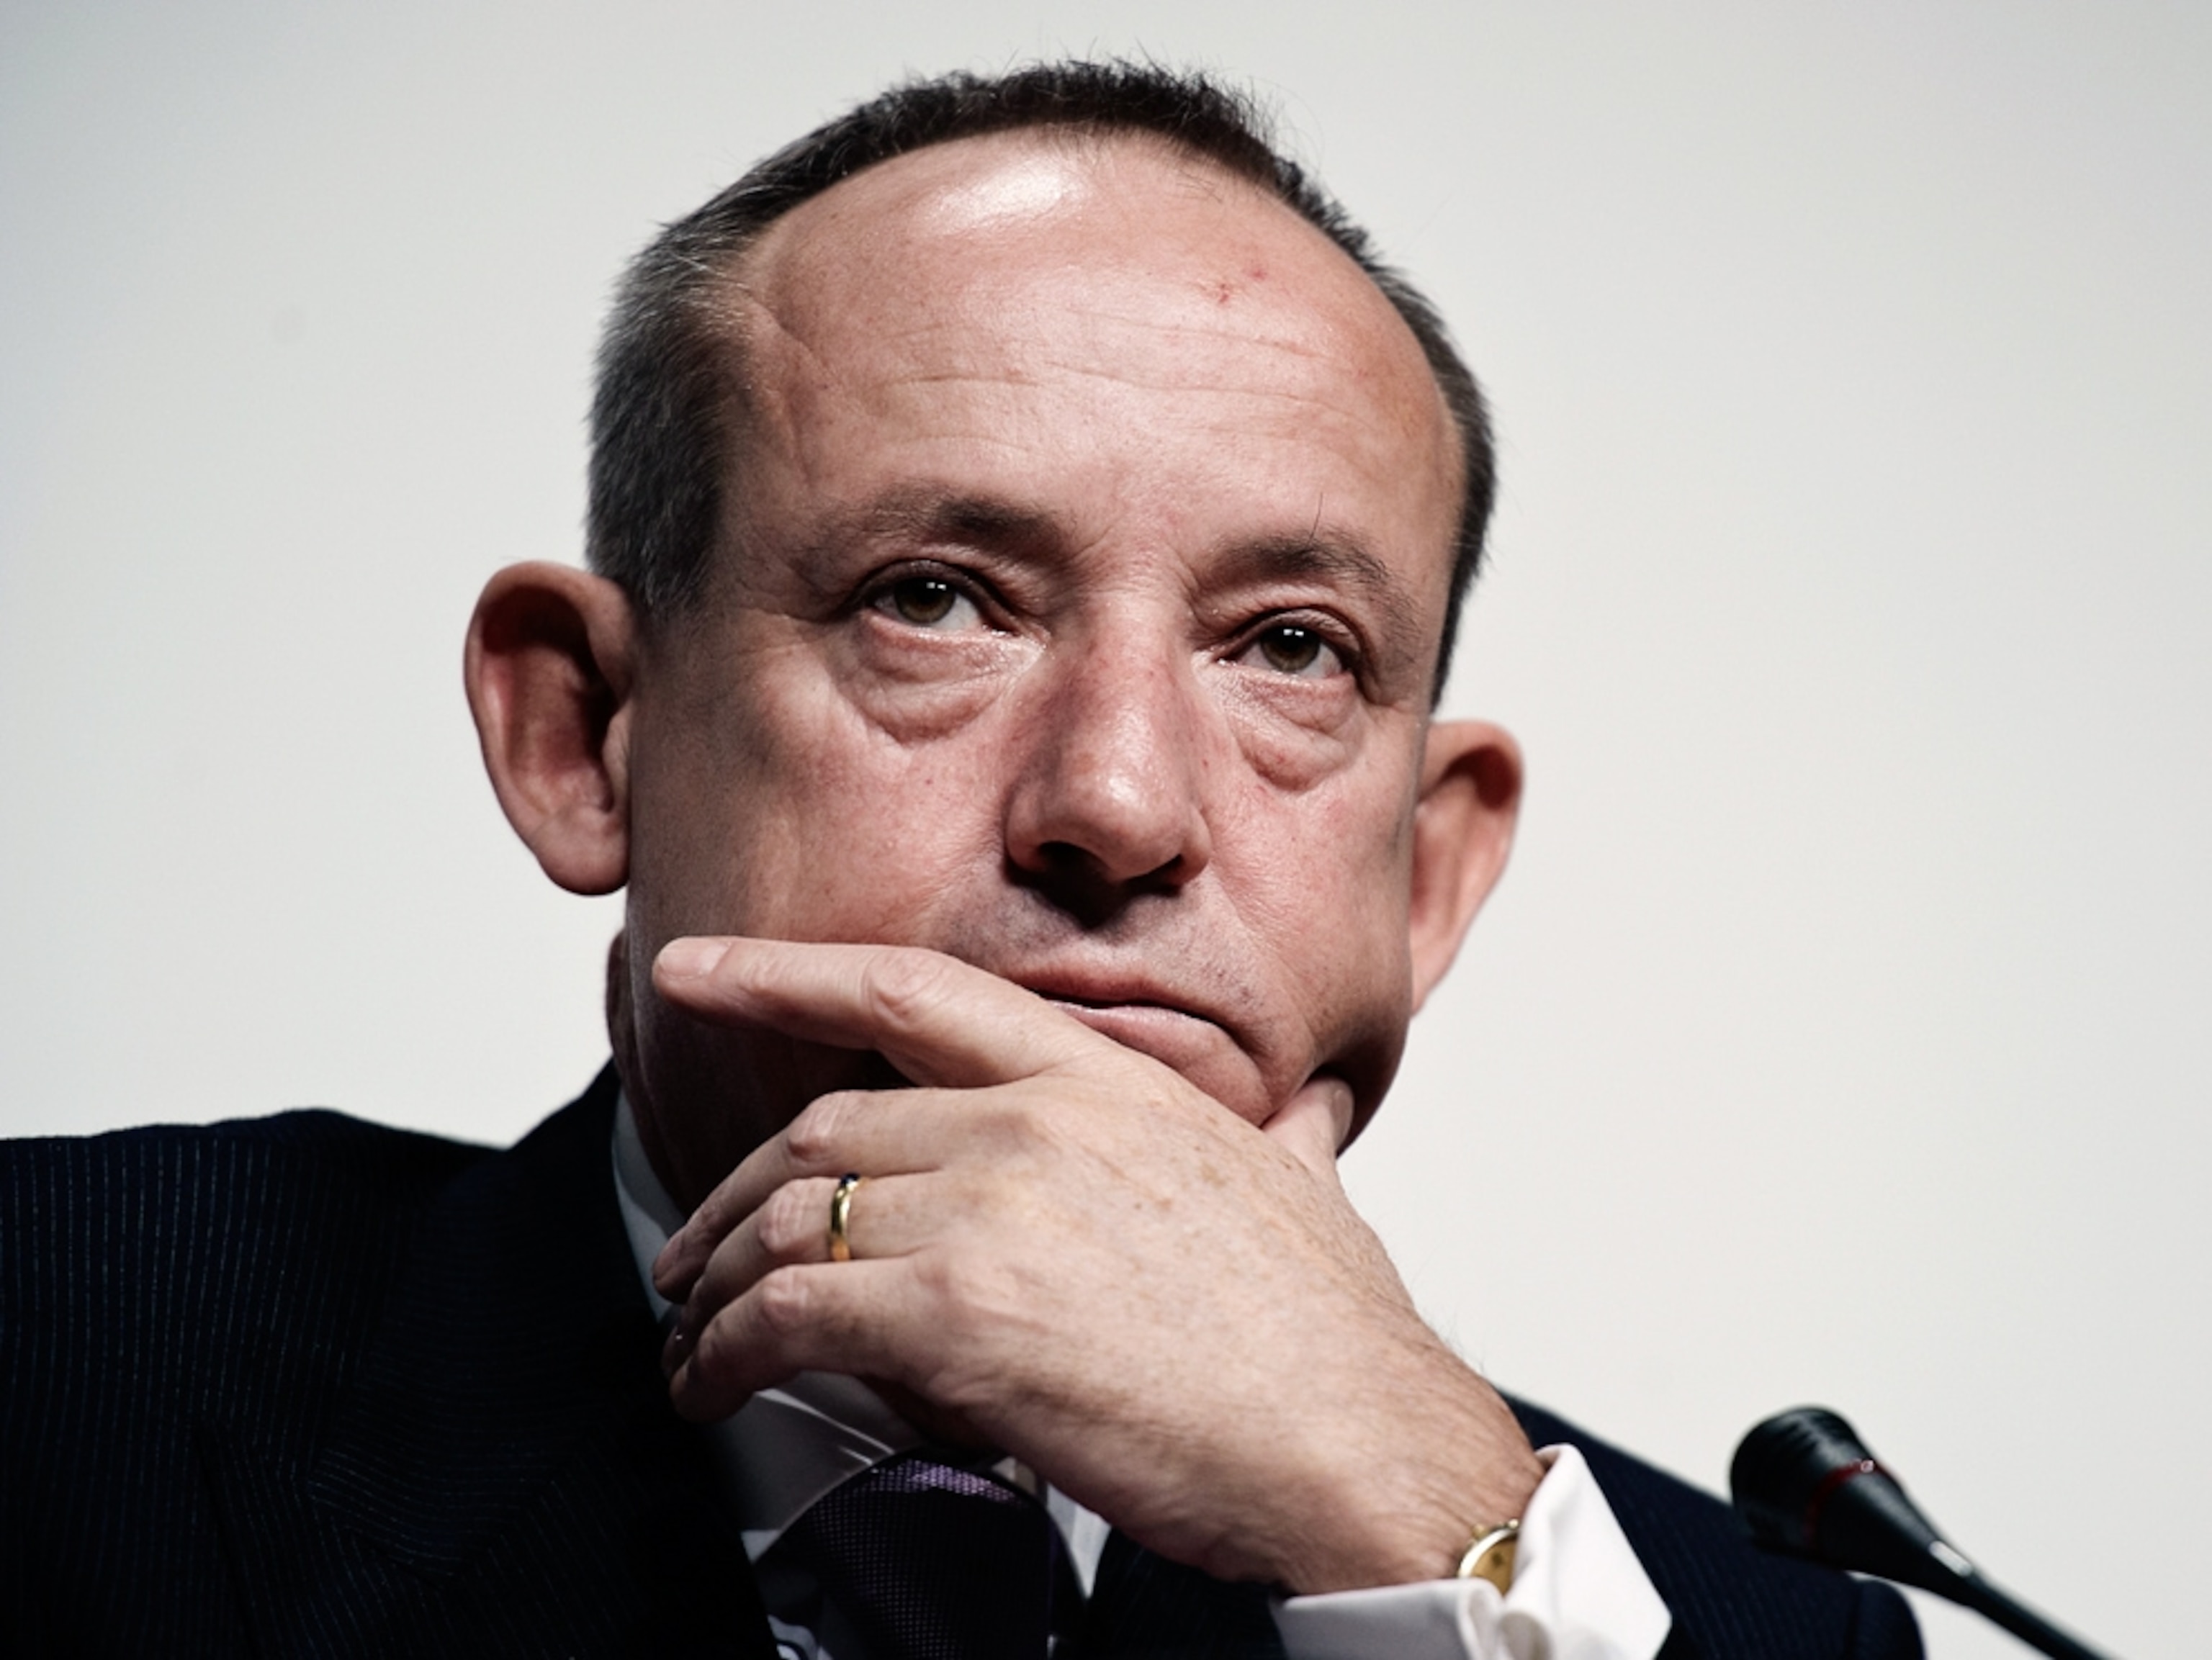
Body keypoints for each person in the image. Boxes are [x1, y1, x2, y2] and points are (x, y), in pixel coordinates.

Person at [0, 63, 1920, 1659]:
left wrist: (1446, 1554)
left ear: (1424, 876)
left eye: (1288, 647)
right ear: (584, 732)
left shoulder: (1745, 1623)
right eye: (935, 599)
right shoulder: (55, 1358)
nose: (1119, 804)